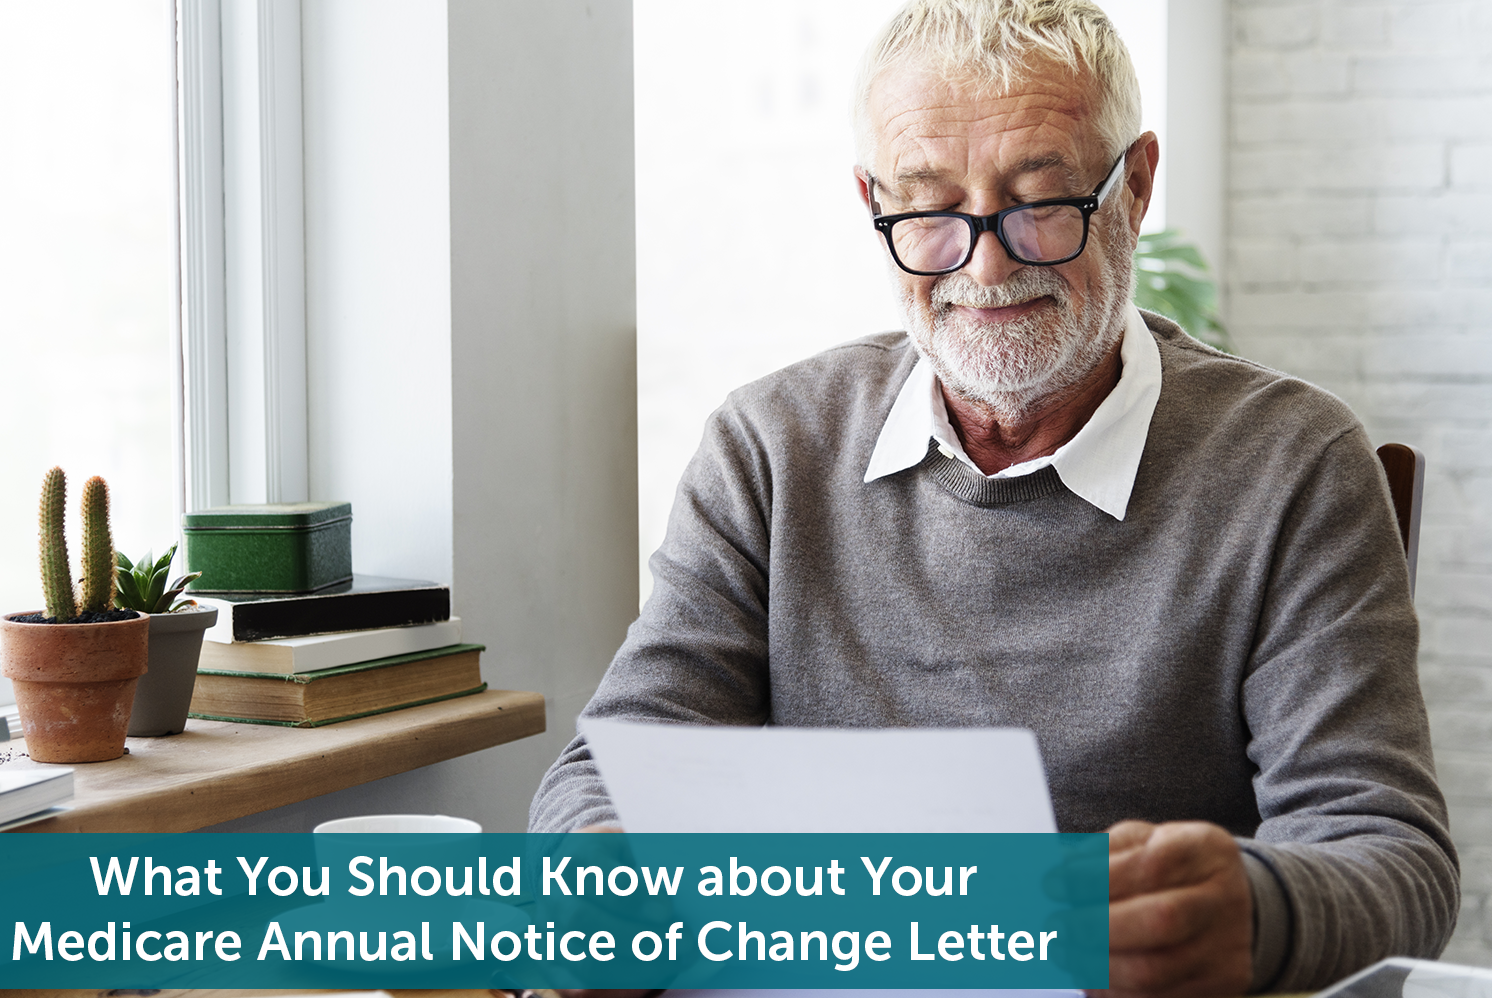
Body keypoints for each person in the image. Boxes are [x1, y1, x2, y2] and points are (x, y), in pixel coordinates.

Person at [529, 1, 1459, 994]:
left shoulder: (1292, 462)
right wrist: (604, 878)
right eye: (929, 208)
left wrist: (1258, 910)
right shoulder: (770, 445)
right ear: (872, 202)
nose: (986, 262)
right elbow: (605, 770)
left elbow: (1389, 851)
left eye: (1041, 200)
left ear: (1134, 187)